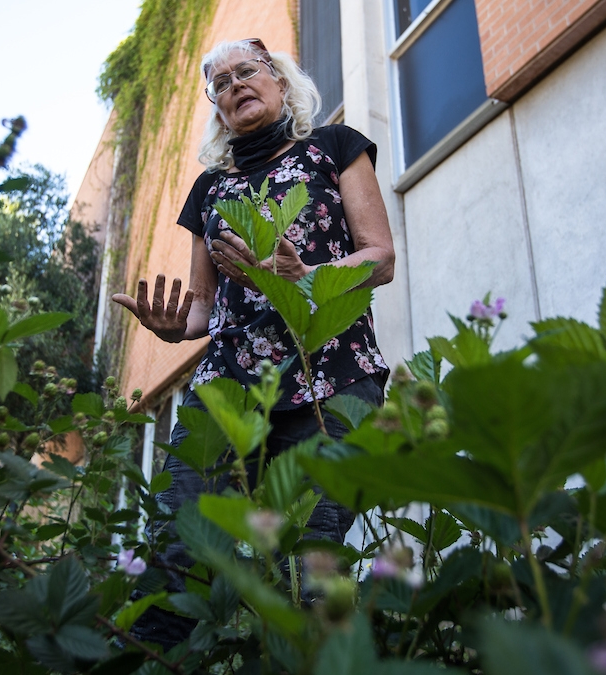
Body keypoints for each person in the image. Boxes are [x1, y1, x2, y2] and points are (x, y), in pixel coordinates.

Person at [111, 37, 395, 649]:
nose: (235, 84)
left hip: (333, 376)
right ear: (216, 105)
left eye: (248, 71)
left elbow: (381, 257)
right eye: (220, 82)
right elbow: (202, 310)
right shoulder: (209, 189)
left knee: (311, 559)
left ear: (280, 79)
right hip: (229, 388)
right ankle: (142, 661)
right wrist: (171, 326)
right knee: (180, 544)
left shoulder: (334, 148)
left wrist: (303, 278)